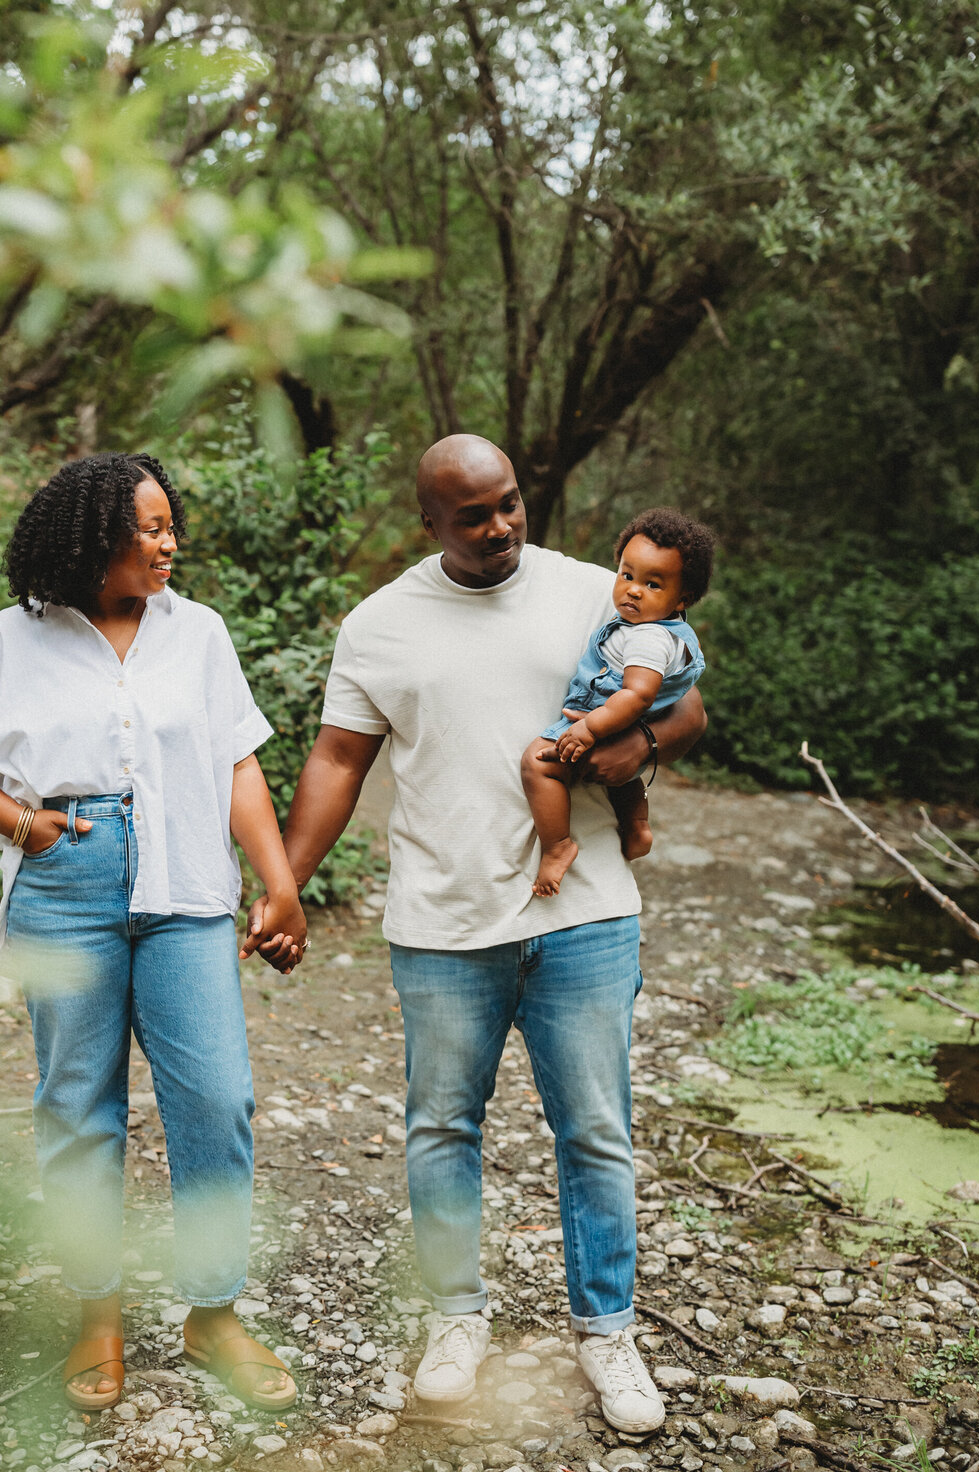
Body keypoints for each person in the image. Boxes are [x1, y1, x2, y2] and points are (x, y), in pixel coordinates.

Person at [276, 435, 707, 1436]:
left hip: (586, 912)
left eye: (510, 503)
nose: (502, 525)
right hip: (443, 922)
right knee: (441, 1130)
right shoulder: (379, 625)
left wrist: (632, 749)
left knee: (597, 1131)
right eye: (474, 515)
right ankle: (454, 1319)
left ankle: (607, 1332)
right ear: (429, 523)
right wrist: (285, 885)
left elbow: (684, 705)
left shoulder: (595, 592)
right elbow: (339, 758)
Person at [0, 452, 306, 1415]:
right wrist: (23, 825)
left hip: (186, 886)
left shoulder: (201, 633)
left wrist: (279, 882)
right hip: (68, 877)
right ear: (94, 535)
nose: (170, 540)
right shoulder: (15, 637)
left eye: (170, 523)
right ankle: (96, 1309)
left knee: (217, 1098)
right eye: (150, 527)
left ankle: (212, 1312)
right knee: (78, 1107)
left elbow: (238, 765)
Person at [522, 506, 713, 895]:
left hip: (602, 714)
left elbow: (639, 694)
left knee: (537, 766)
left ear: (683, 598)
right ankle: (637, 824)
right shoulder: (664, 631)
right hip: (619, 721)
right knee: (623, 775)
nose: (633, 590)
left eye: (653, 585)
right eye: (627, 575)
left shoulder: (648, 637)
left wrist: (590, 727)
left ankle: (558, 846)